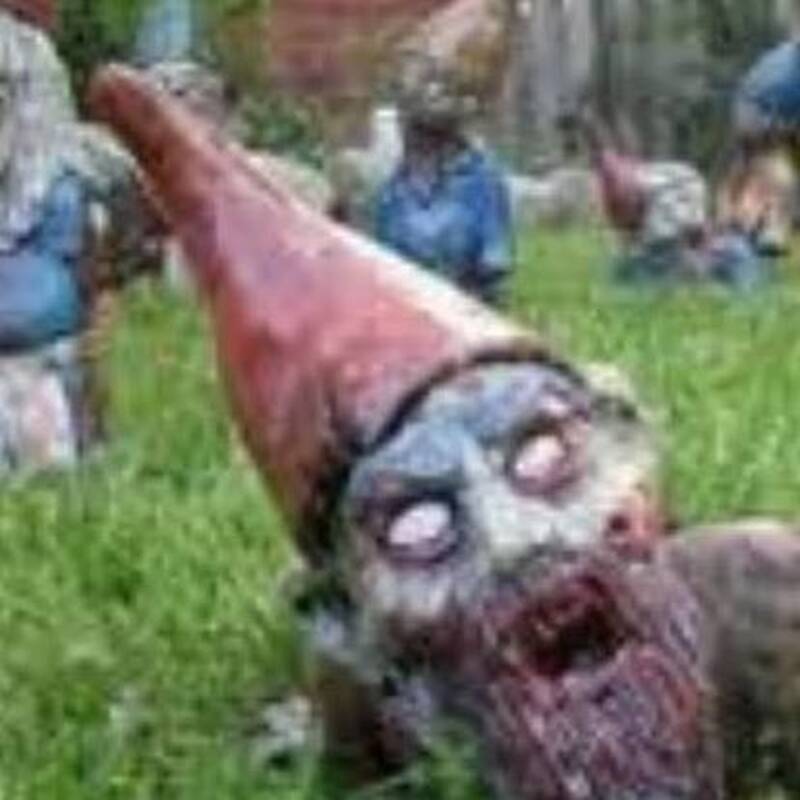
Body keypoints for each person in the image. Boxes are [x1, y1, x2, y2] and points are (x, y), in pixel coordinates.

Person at [94, 64, 800, 800]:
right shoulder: (383, 719)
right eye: (422, 527)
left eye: (542, 458)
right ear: (346, 618)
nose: (517, 540)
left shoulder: (763, 599)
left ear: (627, 445)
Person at [374, 55, 512, 306]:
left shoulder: (482, 180)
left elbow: (494, 265)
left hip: (465, 307)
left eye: (439, 90)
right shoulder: (391, 193)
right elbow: (383, 268)